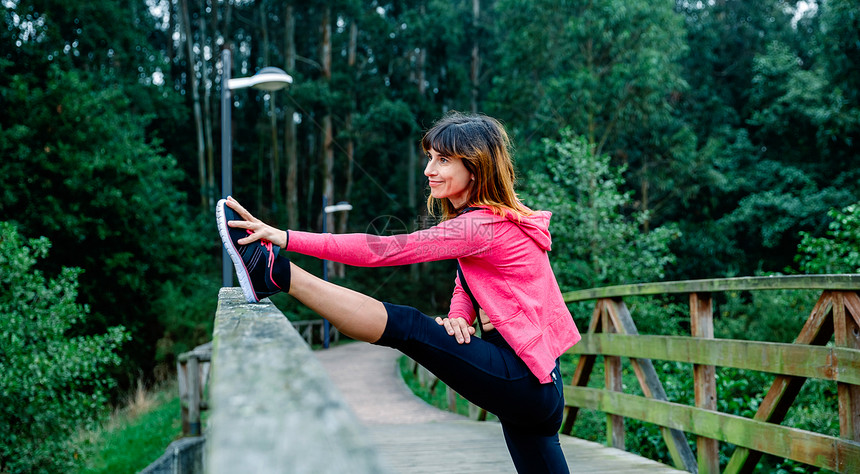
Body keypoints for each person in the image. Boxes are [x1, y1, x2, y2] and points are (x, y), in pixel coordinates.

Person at [216, 112, 581, 473]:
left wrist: (286, 237)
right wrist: (459, 316)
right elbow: (465, 281)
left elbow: (384, 249)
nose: (428, 170)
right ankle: (272, 274)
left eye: (442, 160)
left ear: (475, 168)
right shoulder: (490, 220)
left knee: (409, 326)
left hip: (524, 379)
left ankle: (277, 273)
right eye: (429, 158)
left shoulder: (481, 226)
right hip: (537, 382)